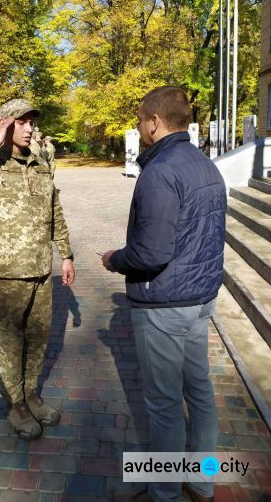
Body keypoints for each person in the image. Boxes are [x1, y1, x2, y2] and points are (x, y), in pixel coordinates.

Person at [101, 86, 227, 502]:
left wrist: (114, 259)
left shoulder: (160, 171)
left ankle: (165, 491)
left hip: (167, 304)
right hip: (199, 299)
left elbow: (151, 252)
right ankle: (203, 479)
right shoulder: (205, 165)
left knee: (165, 404)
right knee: (200, 391)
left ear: (154, 122)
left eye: (140, 120)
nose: (140, 128)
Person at [0, 98, 75, 440]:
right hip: (9, 272)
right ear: (7, 124)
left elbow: (56, 210)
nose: (31, 127)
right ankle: (15, 402)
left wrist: (66, 254)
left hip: (41, 269)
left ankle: (32, 395)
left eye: (32, 122)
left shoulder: (40, 163)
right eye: (23, 122)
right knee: (10, 340)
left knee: (38, 339)